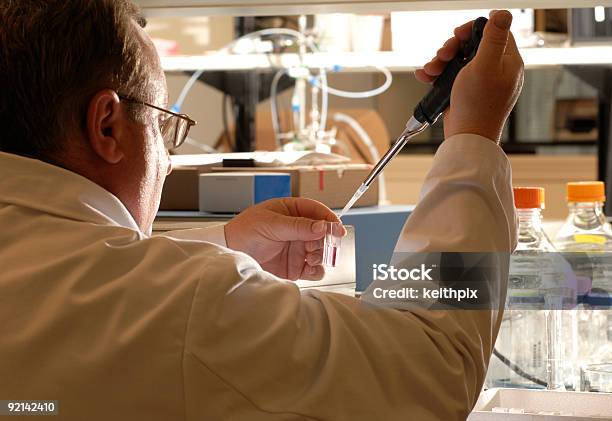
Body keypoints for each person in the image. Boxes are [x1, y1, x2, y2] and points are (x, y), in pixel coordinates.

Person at [0, 1, 523, 420]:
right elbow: (429, 368)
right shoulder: (184, 304)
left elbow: (95, 287)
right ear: (107, 127)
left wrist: (223, 247)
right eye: (162, 126)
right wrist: (473, 138)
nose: (166, 163)